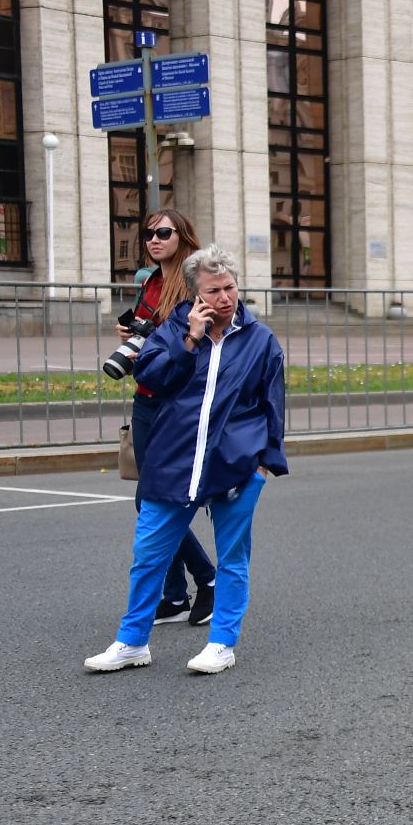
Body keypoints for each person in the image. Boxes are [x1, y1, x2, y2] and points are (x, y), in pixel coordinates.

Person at [86, 245, 288, 676]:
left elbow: (273, 404)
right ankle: (132, 642)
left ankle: (222, 644)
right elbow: (152, 377)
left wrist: (264, 464)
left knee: (233, 557)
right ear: (195, 295)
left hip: (235, 464)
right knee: (148, 556)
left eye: (230, 287)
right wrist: (190, 339)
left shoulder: (260, 339)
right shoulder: (174, 330)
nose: (225, 298)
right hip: (174, 460)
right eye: (214, 290)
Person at [119, 208, 217, 628]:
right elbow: (149, 332)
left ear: (182, 236)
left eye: (163, 232)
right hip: (146, 396)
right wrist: (129, 337)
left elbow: (199, 338)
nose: (154, 240)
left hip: (176, 400)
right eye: (148, 234)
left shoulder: (194, 282)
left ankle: (207, 578)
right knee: (150, 498)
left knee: (151, 499)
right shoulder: (151, 282)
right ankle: (175, 596)